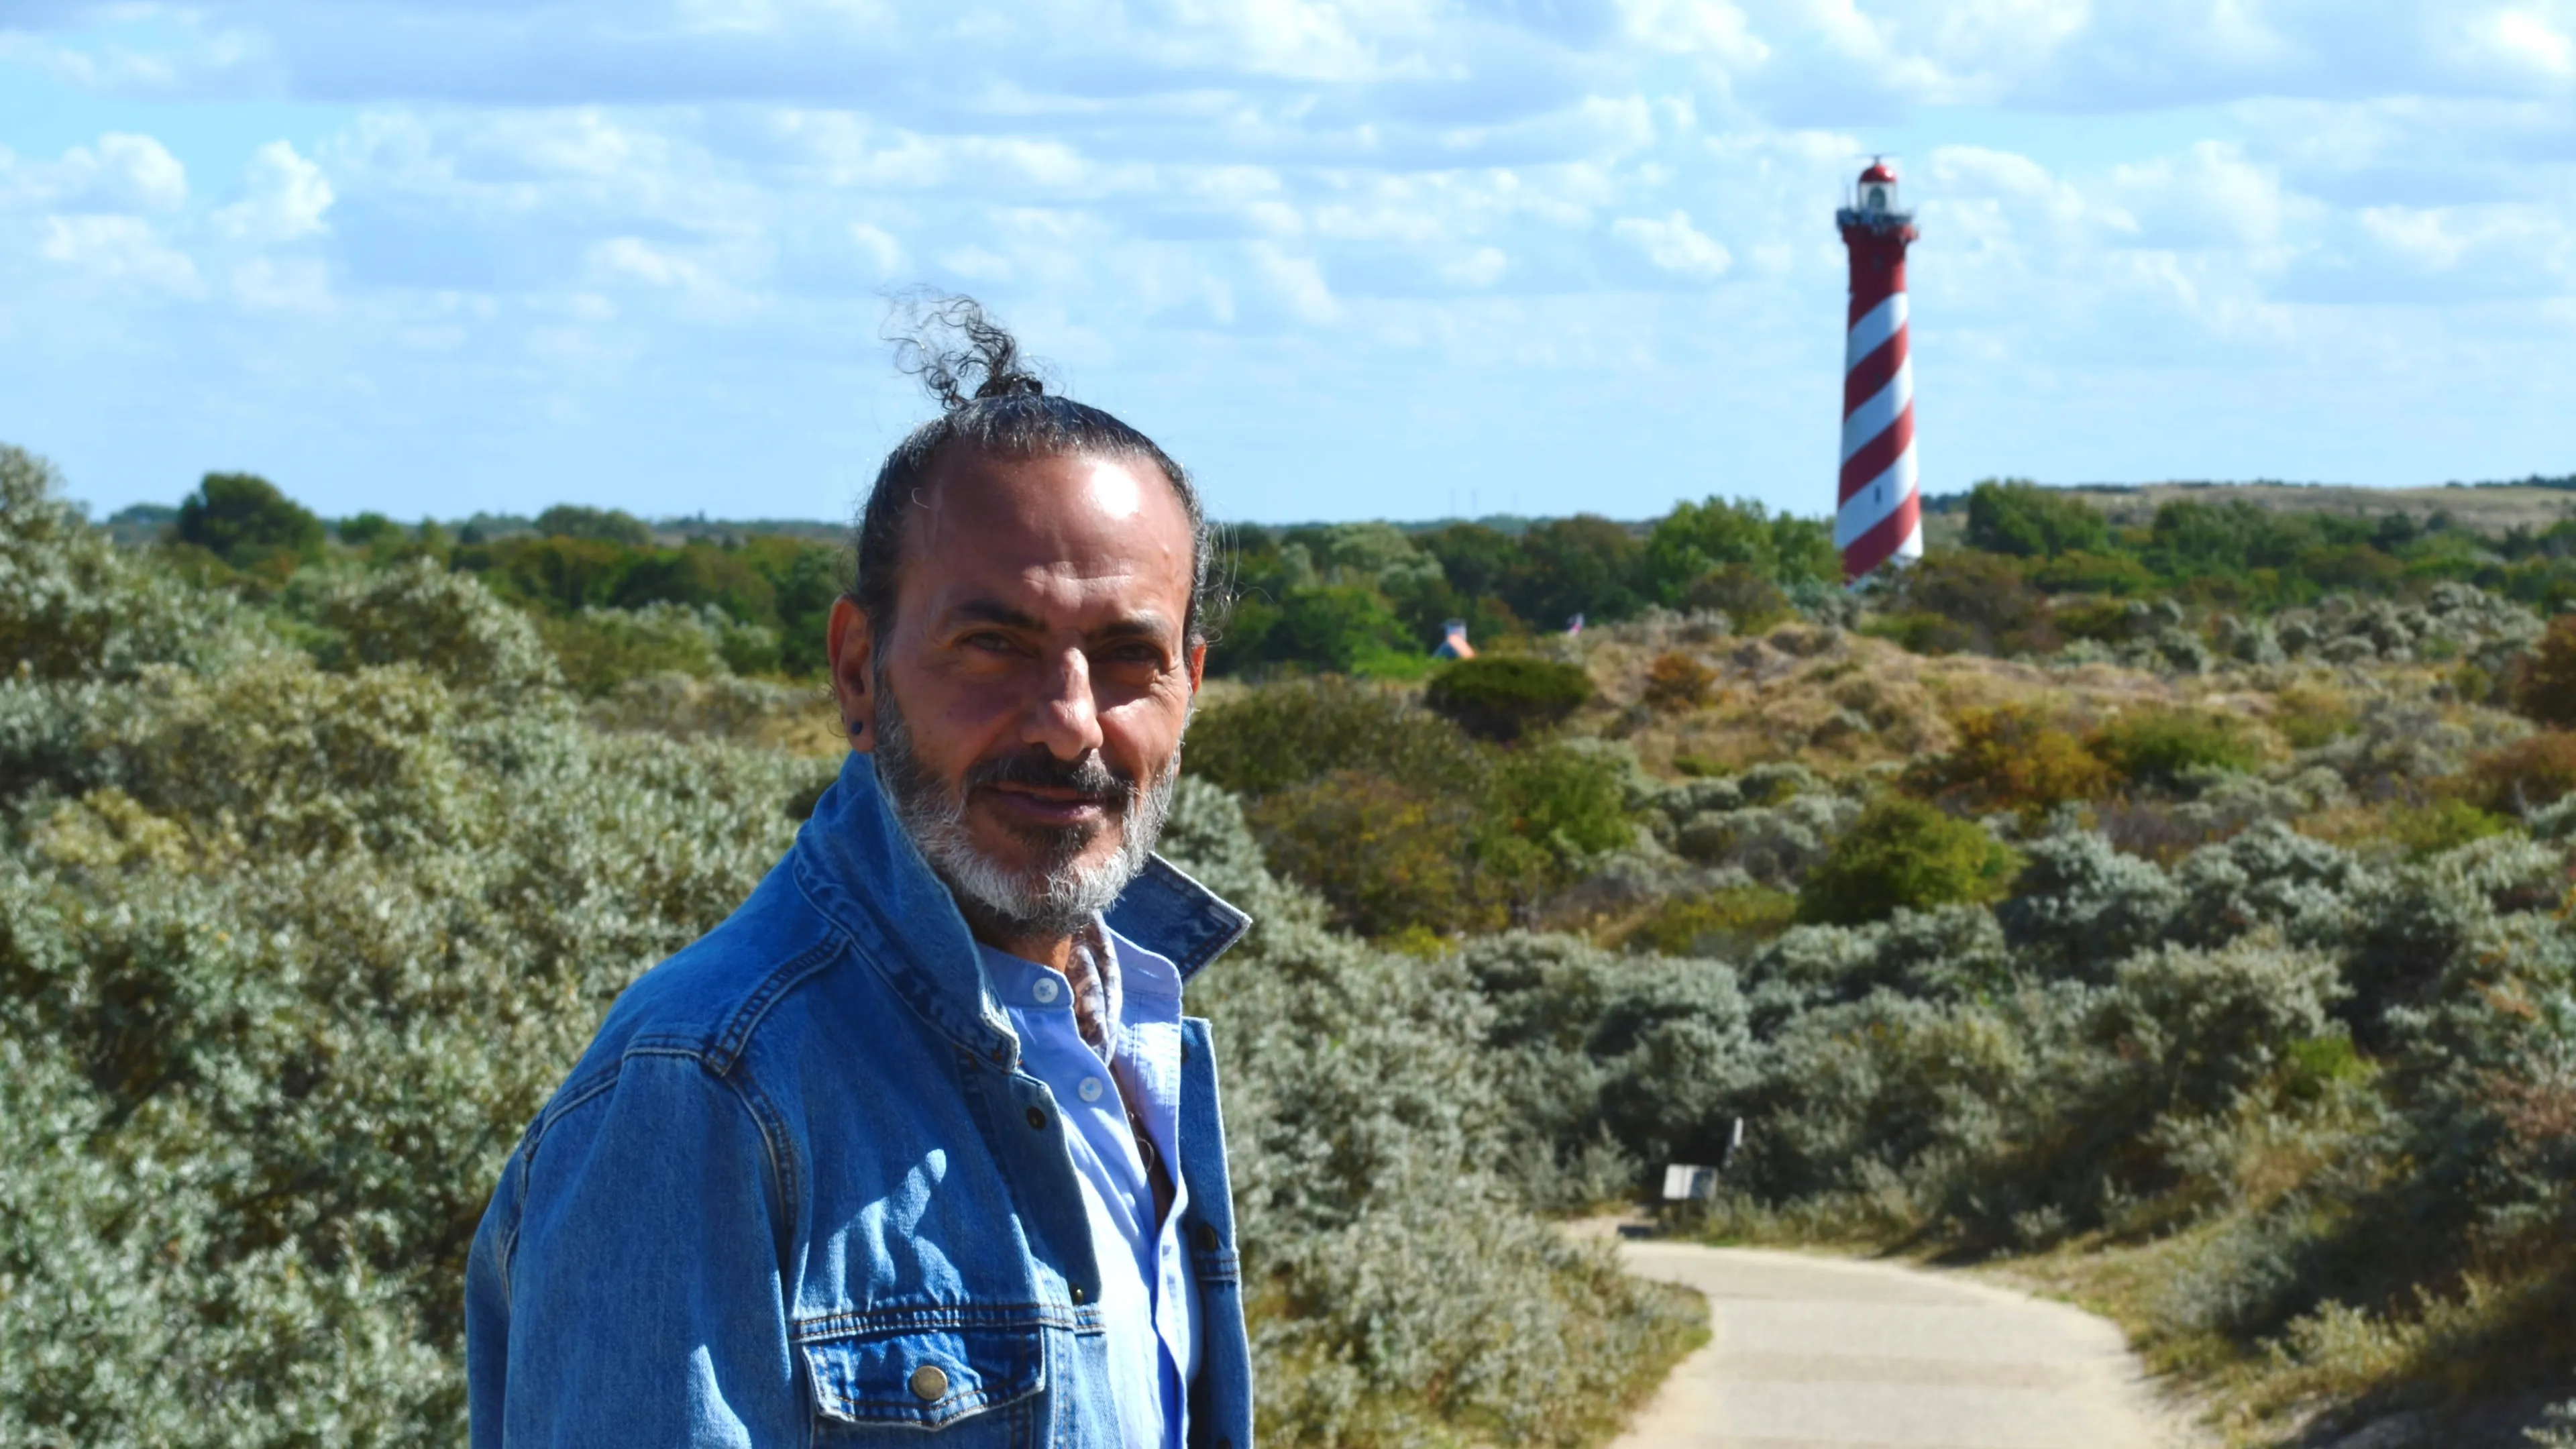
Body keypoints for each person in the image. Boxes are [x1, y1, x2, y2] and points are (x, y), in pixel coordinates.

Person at [464, 297, 1255, 1449]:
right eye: (996, 646)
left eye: (1128, 659)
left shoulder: (1132, 1040)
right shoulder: (705, 1093)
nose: (1070, 724)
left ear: (1190, 683)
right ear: (857, 671)